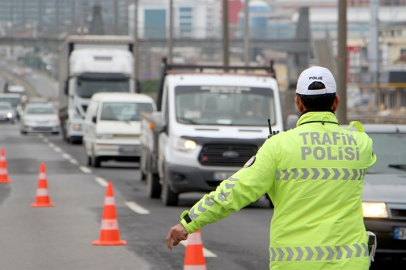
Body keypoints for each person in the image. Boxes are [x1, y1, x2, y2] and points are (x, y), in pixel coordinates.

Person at [166, 66, 377, 270]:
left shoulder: (278, 146)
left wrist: (189, 222)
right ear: (336, 102)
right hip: (350, 264)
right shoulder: (360, 143)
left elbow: (234, 191)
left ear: (298, 104)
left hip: (294, 263)